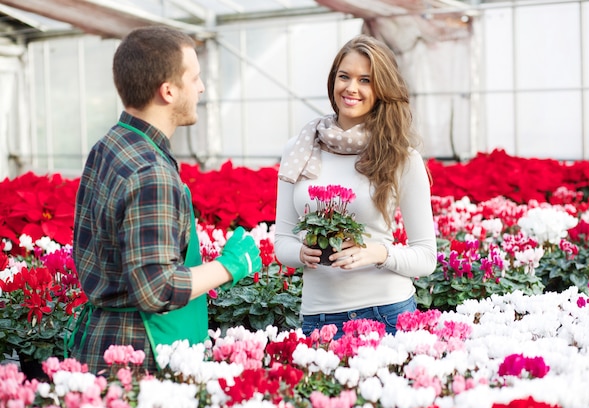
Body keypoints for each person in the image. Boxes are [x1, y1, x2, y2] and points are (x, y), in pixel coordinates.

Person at [69, 26, 261, 373]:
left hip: (103, 337)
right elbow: (157, 289)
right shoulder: (151, 171)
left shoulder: (111, 144)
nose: (201, 87)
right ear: (168, 91)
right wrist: (231, 265)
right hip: (138, 355)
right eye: (195, 78)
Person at [274, 34, 437, 338]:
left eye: (365, 80)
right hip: (318, 318)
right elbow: (282, 241)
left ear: (381, 90)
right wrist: (302, 253)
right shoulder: (299, 149)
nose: (351, 88)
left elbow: (426, 257)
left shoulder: (400, 156)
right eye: (344, 76)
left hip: (386, 312)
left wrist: (376, 253)